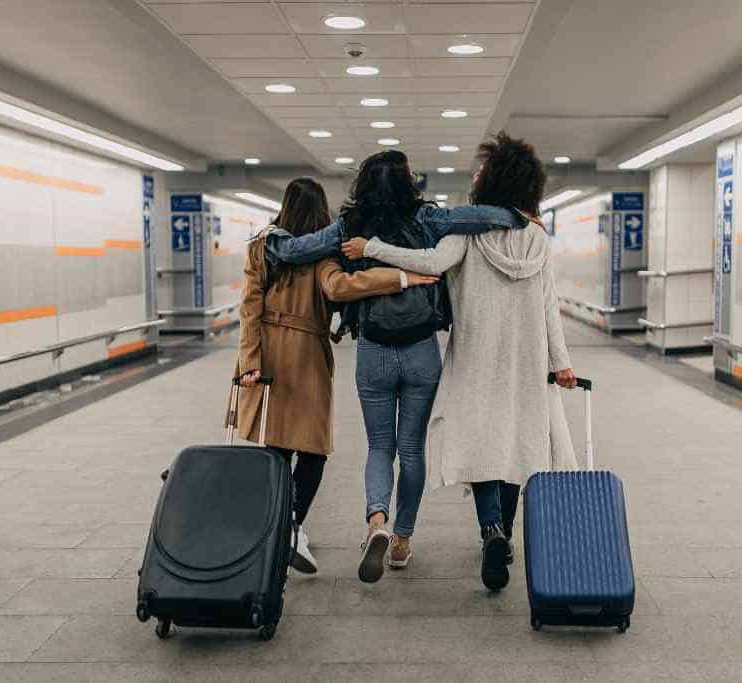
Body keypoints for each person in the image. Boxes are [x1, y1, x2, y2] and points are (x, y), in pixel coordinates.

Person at [265, 150, 528, 584]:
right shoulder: (428, 218)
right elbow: (484, 217)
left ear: (363, 183)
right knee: (412, 450)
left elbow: (294, 250)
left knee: (379, 448)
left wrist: (270, 238)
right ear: (409, 183)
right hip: (421, 350)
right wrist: (518, 217)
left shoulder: (351, 226)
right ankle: (402, 538)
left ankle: (376, 522)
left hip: (373, 351)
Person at [341, 132, 579, 591]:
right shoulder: (539, 239)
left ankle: (489, 527)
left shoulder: (466, 234)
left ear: (495, 180)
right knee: (514, 443)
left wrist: (372, 248)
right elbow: (549, 304)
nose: (475, 175)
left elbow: (428, 263)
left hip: (475, 355)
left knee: (482, 444)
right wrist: (561, 361)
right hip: (525, 360)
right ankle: (502, 534)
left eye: (481, 170)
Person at [233, 177, 438, 575]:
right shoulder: (323, 256)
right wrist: (401, 276)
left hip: (269, 357)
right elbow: (343, 287)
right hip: (307, 356)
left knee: (275, 448)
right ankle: (291, 526)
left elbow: (248, 309)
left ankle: (276, 528)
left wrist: (250, 361)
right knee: (312, 453)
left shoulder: (261, 249)